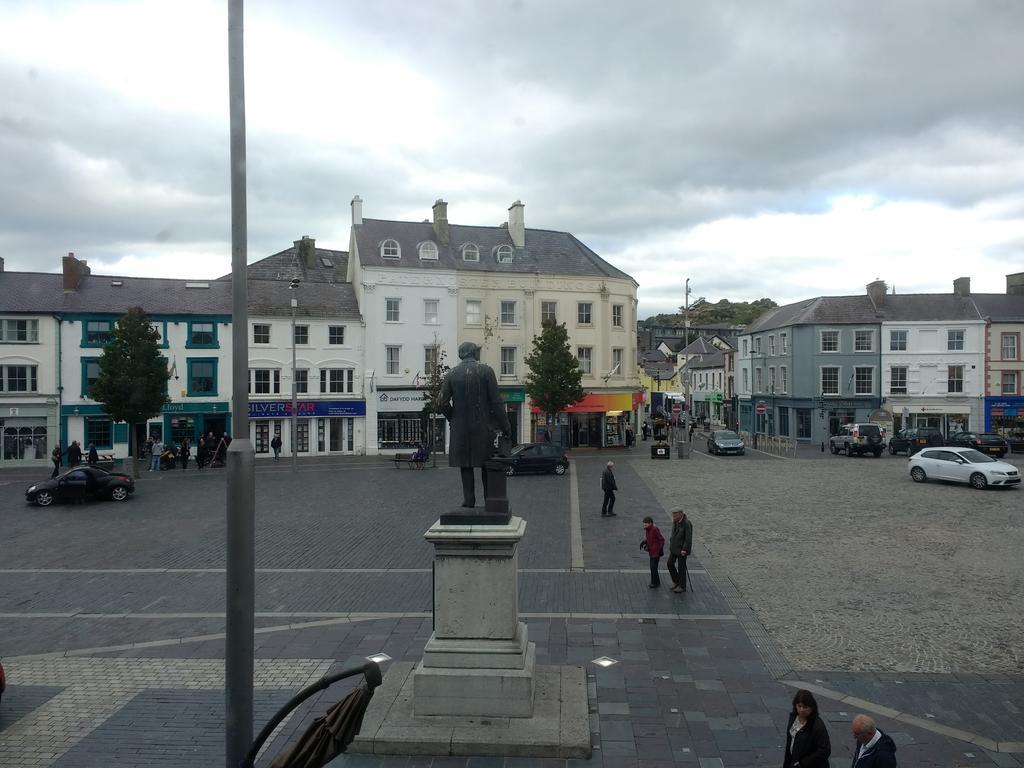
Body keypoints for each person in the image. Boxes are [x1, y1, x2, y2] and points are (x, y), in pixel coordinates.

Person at [438, 341, 512, 508]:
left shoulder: (451, 374)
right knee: (486, 462)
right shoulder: (486, 371)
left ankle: (469, 499)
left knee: (466, 464)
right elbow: (496, 402)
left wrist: (453, 418)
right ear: (474, 353)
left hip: (460, 428)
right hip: (483, 427)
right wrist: (506, 426)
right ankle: (488, 498)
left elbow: (441, 403)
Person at [783, 689, 831, 768]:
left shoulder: (818, 726)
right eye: (799, 706)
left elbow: (824, 751)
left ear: (812, 707)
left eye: (805, 707)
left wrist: (803, 763)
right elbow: (790, 741)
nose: (801, 710)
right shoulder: (793, 717)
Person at [667, 507, 692, 593]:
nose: (673, 515)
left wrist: (684, 549)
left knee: (681, 568)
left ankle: (682, 586)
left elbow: (688, 539)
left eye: (675, 514)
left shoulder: (687, 524)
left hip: (682, 550)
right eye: (673, 514)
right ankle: (677, 581)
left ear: (681, 513)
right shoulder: (675, 521)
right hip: (674, 548)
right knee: (669, 563)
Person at [641, 516, 665, 587]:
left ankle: (655, 583)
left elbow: (661, 539)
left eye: (646, 524)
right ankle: (655, 581)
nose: (644, 526)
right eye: (644, 524)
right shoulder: (648, 530)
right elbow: (650, 538)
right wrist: (644, 542)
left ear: (650, 523)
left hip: (656, 552)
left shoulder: (654, 529)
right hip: (651, 551)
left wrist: (660, 548)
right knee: (652, 567)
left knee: (653, 567)